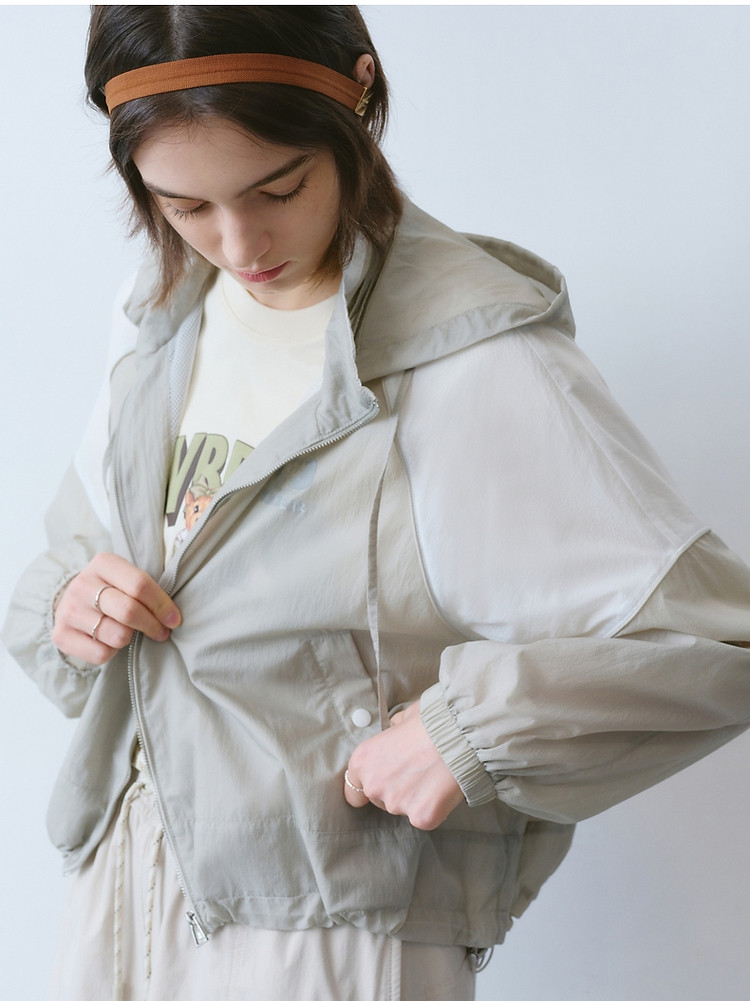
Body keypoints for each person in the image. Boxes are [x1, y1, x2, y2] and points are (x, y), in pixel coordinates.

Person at [4, 5, 750, 1000]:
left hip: (326, 939)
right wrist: (74, 603)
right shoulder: (160, 317)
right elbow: (79, 551)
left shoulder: (472, 359)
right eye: (184, 206)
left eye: (278, 187)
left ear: (358, 95)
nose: (238, 241)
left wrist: (467, 733)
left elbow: (713, 643)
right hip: (118, 897)